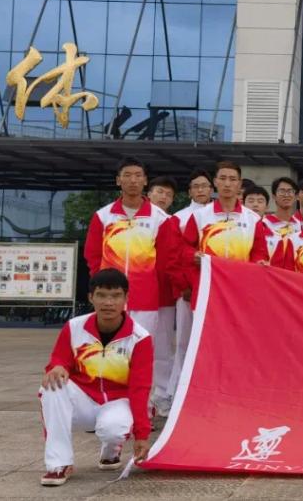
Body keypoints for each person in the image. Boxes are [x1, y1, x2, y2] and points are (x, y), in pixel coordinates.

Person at [39, 270, 153, 486]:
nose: (108, 303)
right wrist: (57, 367)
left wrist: (142, 435)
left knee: (114, 430)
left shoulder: (140, 337)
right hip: (82, 400)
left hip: (117, 401)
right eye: (101, 295)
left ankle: (111, 450)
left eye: (116, 296)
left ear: (126, 298)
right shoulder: (74, 327)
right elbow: (59, 359)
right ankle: (59, 464)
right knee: (51, 386)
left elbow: (140, 388)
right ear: (91, 297)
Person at [84, 157, 172, 340]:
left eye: (138, 175)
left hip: (145, 298)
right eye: (127, 175)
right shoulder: (103, 216)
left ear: (145, 181)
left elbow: (165, 262)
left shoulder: (160, 219)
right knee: (111, 345)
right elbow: (92, 255)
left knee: (142, 345)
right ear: (118, 180)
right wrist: (101, 284)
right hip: (110, 297)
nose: (133, 180)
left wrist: (156, 291)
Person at [155, 168, 212, 417]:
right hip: (188, 293)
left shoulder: (218, 217)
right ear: (189, 191)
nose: (201, 190)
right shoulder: (178, 219)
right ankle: (172, 395)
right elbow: (172, 257)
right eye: (196, 186)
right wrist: (183, 287)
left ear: (211, 189)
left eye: (204, 186)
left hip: (215, 293)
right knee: (184, 344)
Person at [182, 161, 268, 275]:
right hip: (209, 279)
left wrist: (259, 261)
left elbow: (259, 252)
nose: (227, 184)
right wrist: (193, 255)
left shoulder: (253, 219)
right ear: (215, 181)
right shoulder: (199, 215)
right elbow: (185, 247)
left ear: (239, 184)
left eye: (232, 179)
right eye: (222, 178)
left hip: (241, 279)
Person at [146, 175, 177, 414]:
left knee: (163, 348)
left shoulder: (171, 222)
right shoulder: (132, 219)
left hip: (164, 294)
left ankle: (162, 396)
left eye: (168, 194)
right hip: (136, 293)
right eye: (159, 192)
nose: (163, 197)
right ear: (149, 193)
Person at [261, 177, 303, 268]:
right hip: (271, 271)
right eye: (282, 191)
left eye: (290, 191)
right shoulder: (264, 224)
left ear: (295, 197)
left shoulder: (300, 225)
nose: (286, 195)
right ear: (274, 196)